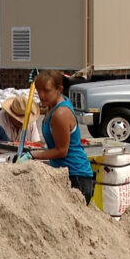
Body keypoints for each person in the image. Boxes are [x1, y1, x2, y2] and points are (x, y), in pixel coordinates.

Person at [30, 70, 94, 204]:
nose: (42, 95)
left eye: (46, 91)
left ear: (59, 89)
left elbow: (61, 150)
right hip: (64, 172)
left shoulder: (60, 114)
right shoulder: (52, 106)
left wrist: (33, 155)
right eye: (38, 91)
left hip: (76, 175)